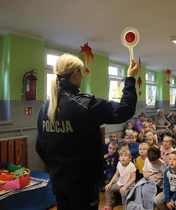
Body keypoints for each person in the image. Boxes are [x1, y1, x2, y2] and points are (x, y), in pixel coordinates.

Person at [36, 54, 139, 210]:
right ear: (75, 74)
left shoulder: (45, 108)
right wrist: (130, 78)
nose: (83, 76)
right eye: (81, 71)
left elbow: (40, 147)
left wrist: (57, 168)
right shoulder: (85, 105)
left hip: (58, 181)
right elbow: (125, 110)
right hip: (83, 183)